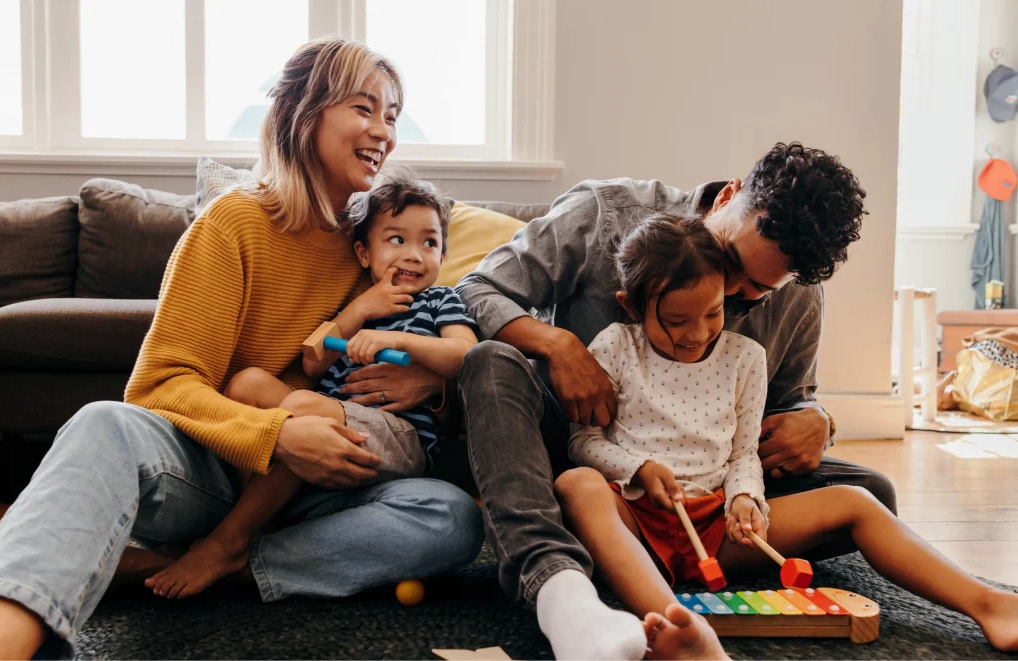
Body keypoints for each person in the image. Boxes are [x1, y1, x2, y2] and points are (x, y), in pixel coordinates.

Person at [0, 38, 483, 660]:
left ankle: (224, 562)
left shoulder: (380, 242)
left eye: (392, 114)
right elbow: (160, 384)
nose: (383, 130)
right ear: (305, 114)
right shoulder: (234, 224)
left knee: (451, 518)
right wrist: (274, 435)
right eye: (365, 108)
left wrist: (431, 386)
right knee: (103, 424)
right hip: (216, 472)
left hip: (332, 485)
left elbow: (437, 353)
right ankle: (9, 633)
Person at [454, 142, 893, 661]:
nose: (729, 294)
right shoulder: (604, 214)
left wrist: (816, 420)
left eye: (756, 291)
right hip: (572, 446)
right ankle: (555, 575)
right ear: (729, 196)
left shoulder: (797, 294)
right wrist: (558, 345)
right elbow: (477, 287)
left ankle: (653, 552)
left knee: (870, 492)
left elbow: (791, 402)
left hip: (701, 482)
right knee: (489, 363)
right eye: (731, 263)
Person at [557, 213, 1018, 658]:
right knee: (575, 485)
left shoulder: (746, 358)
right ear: (632, 305)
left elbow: (743, 456)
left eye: (713, 313)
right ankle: (679, 623)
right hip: (634, 520)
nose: (697, 334)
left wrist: (745, 500)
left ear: (726, 293)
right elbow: (583, 443)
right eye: (676, 321)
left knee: (857, 500)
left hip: (716, 528)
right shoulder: (616, 346)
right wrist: (640, 469)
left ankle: (990, 604)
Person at [145, 173, 480, 600]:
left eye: (429, 243)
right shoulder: (358, 302)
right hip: (326, 422)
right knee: (249, 383)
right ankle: (261, 520)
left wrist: (397, 339)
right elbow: (313, 359)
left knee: (305, 406)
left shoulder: (440, 300)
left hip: (397, 435)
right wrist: (360, 310)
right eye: (397, 240)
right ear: (364, 252)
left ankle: (230, 540)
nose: (413, 255)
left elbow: (465, 356)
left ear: (444, 253)